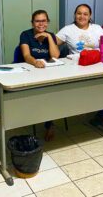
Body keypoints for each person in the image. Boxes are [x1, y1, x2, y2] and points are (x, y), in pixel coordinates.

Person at [20, 10, 60, 141]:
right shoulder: (26, 35)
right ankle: (34, 117)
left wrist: (48, 37)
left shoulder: (51, 35)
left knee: (51, 93)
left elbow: (55, 56)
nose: (41, 24)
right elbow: (26, 56)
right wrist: (35, 62)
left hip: (47, 71)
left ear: (47, 22)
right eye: (37, 21)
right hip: (30, 69)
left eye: (44, 21)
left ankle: (49, 123)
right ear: (32, 23)